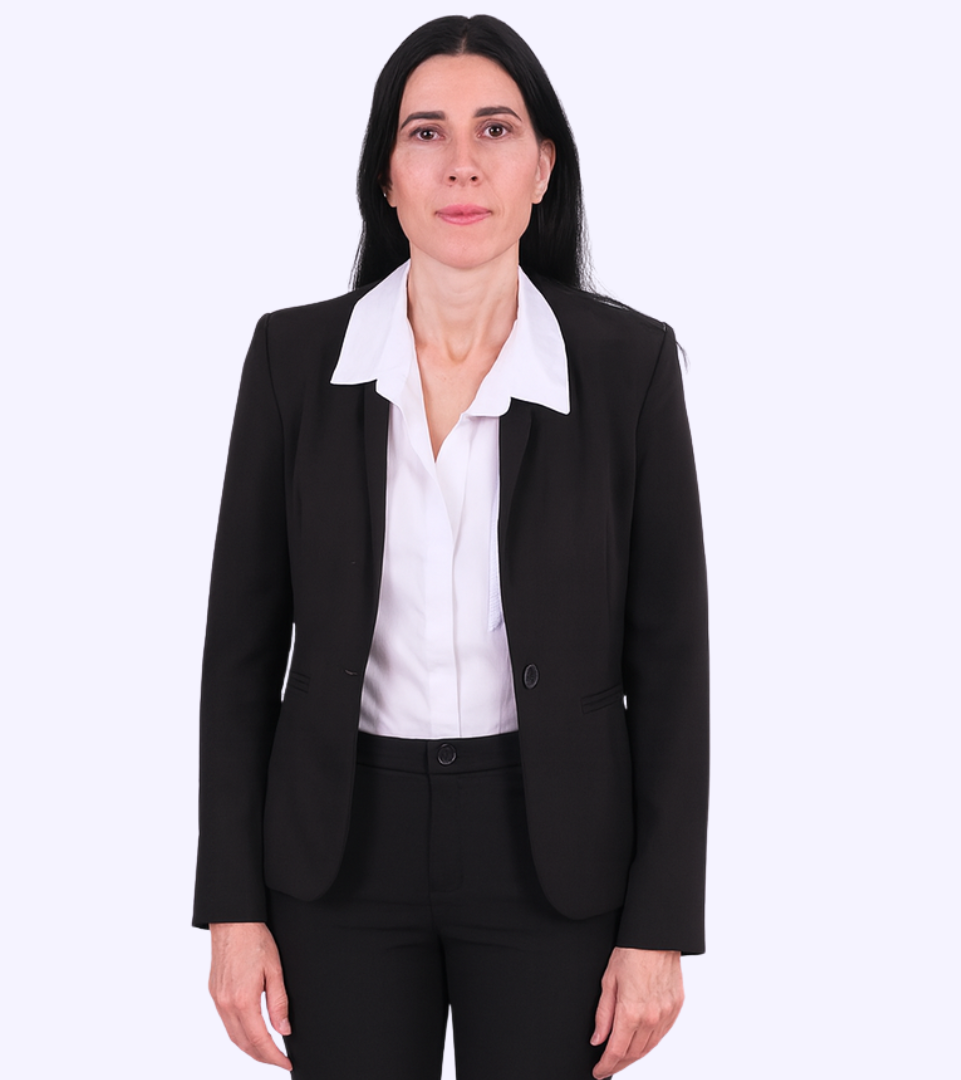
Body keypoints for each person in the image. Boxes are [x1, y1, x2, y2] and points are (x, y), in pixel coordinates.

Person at [192, 13, 709, 1080]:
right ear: (386, 176)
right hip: (337, 853)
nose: (462, 164)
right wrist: (232, 907)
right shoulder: (294, 360)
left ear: (543, 168)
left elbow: (671, 666)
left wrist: (659, 924)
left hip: (556, 853)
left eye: (496, 130)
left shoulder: (630, 367)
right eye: (425, 133)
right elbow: (239, 656)